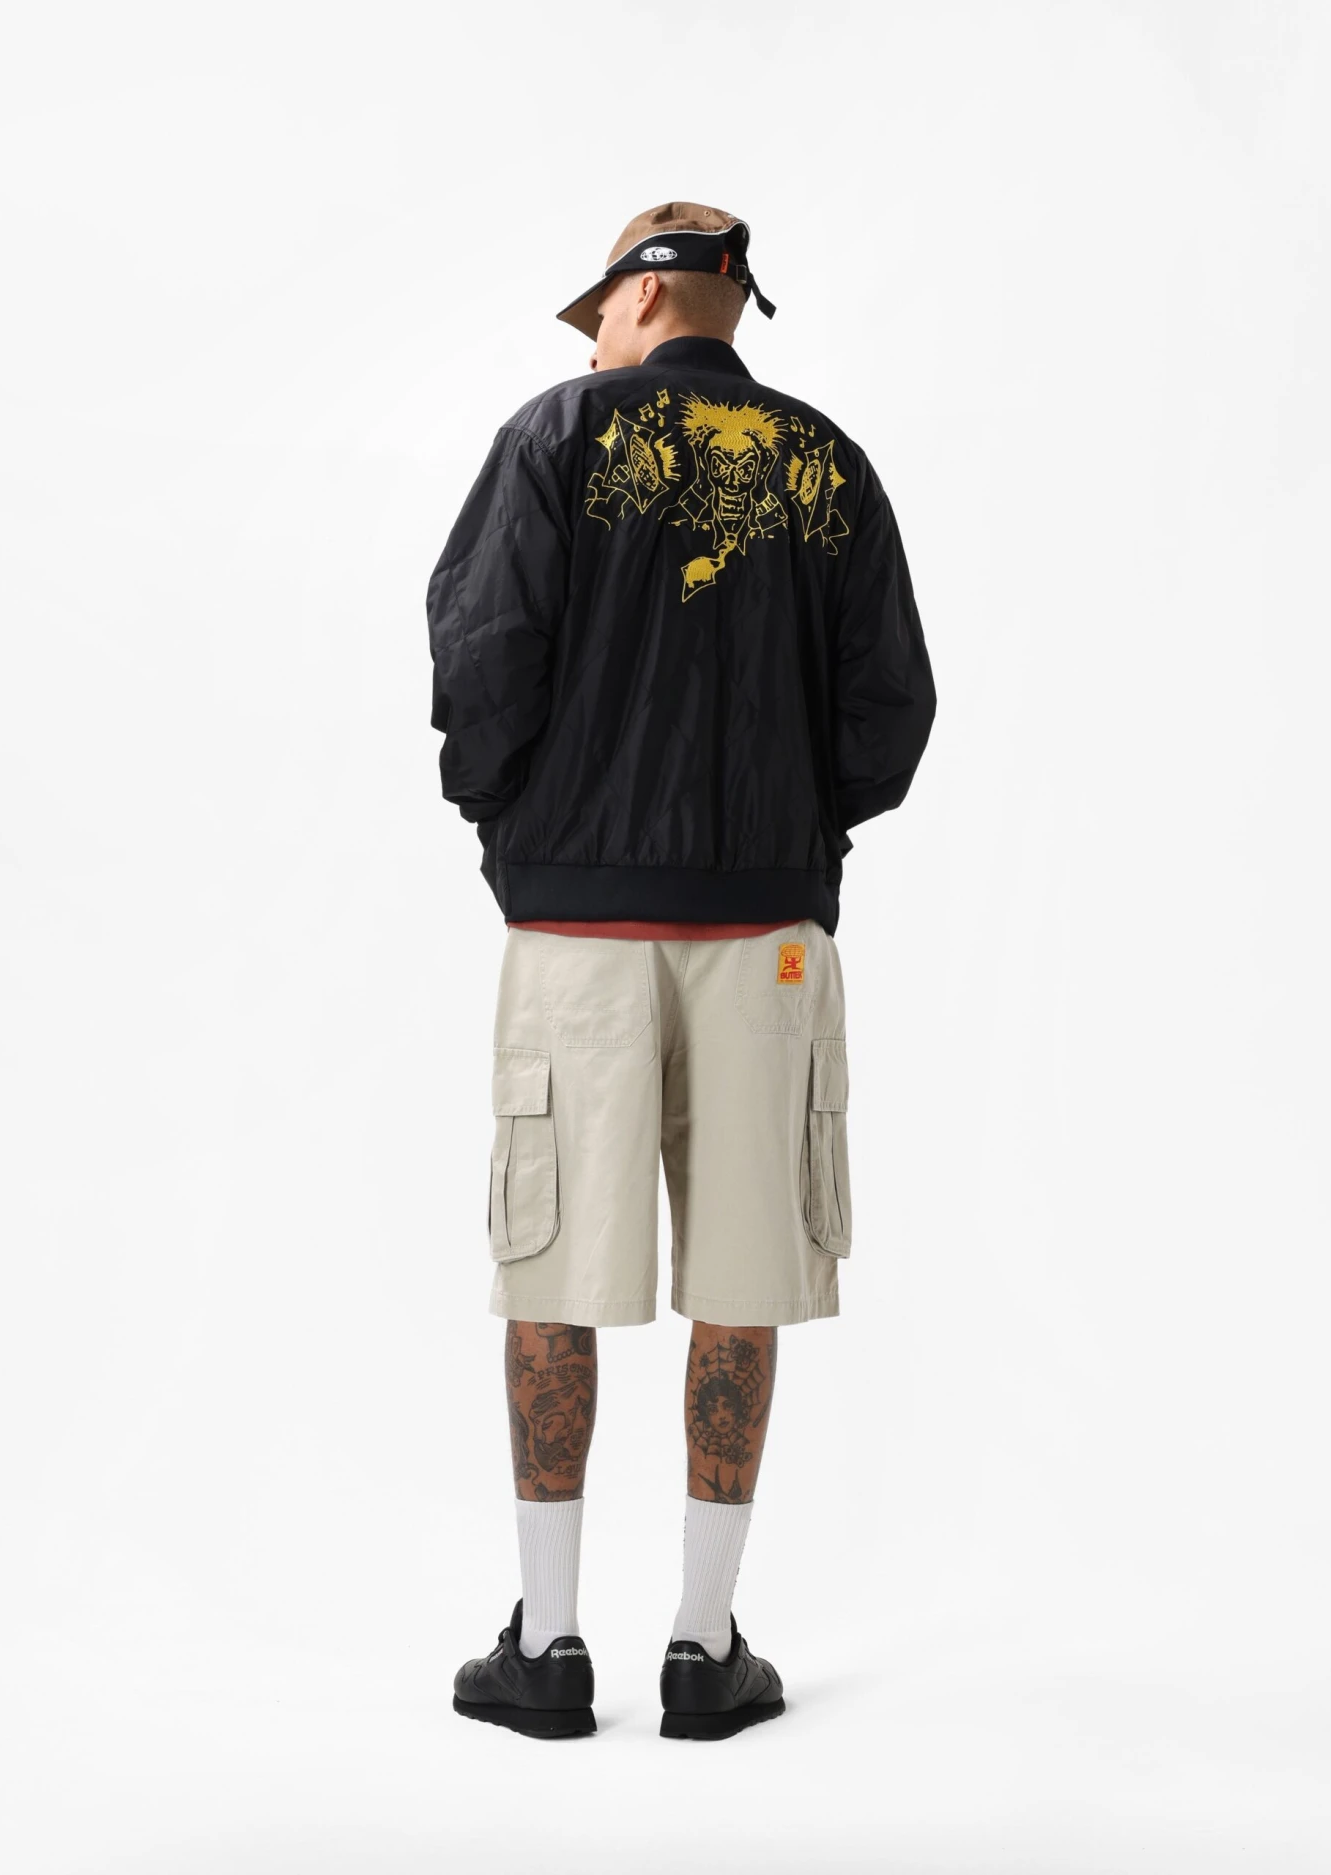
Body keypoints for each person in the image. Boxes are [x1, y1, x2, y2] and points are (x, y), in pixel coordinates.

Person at [428, 202, 936, 1741]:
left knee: (553, 1274)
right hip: (765, 937)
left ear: (649, 297)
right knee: (744, 1270)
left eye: (600, 310)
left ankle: (549, 1645)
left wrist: (526, 834)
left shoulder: (551, 438)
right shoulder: (825, 464)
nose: (593, 338)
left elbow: (479, 657)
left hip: (575, 935)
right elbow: (891, 712)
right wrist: (787, 832)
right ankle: (705, 1651)